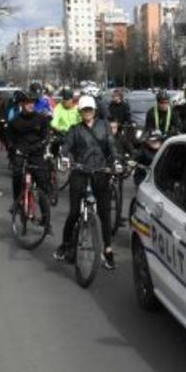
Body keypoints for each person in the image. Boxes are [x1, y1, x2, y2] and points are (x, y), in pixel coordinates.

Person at [55, 96, 119, 269]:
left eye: (90, 109)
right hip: (80, 172)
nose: (87, 112)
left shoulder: (104, 126)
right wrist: (64, 157)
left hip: (100, 172)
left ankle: (107, 249)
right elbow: (66, 147)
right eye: (84, 110)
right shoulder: (75, 129)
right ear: (80, 112)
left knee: (105, 214)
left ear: (94, 110)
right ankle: (65, 243)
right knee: (74, 212)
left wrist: (116, 160)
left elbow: (112, 145)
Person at [4, 91, 53, 234]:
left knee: (42, 186)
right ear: (21, 105)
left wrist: (39, 147)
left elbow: (46, 136)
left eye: (33, 103)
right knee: (17, 174)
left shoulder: (41, 119)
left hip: (36, 153)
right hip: (20, 152)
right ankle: (16, 202)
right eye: (27, 103)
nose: (30, 105)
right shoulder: (14, 121)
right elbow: (9, 139)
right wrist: (14, 149)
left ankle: (46, 222)